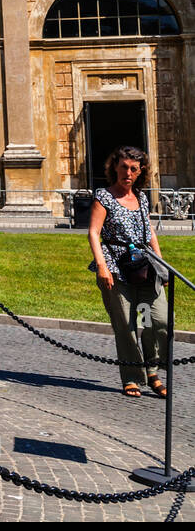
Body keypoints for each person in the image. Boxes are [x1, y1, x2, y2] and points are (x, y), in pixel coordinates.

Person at [87, 145, 169, 398]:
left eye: (134, 168)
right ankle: (133, 376)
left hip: (145, 266)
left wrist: (161, 262)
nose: (128, 173)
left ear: (140, 171)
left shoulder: (142, 197)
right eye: (124, 167)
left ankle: (152, 369)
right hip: (116, 267)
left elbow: (150, 231)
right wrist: (102, 266)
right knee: (127, 325)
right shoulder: (104, 196)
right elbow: (93, 232)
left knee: (156, 320)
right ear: (115, 167)